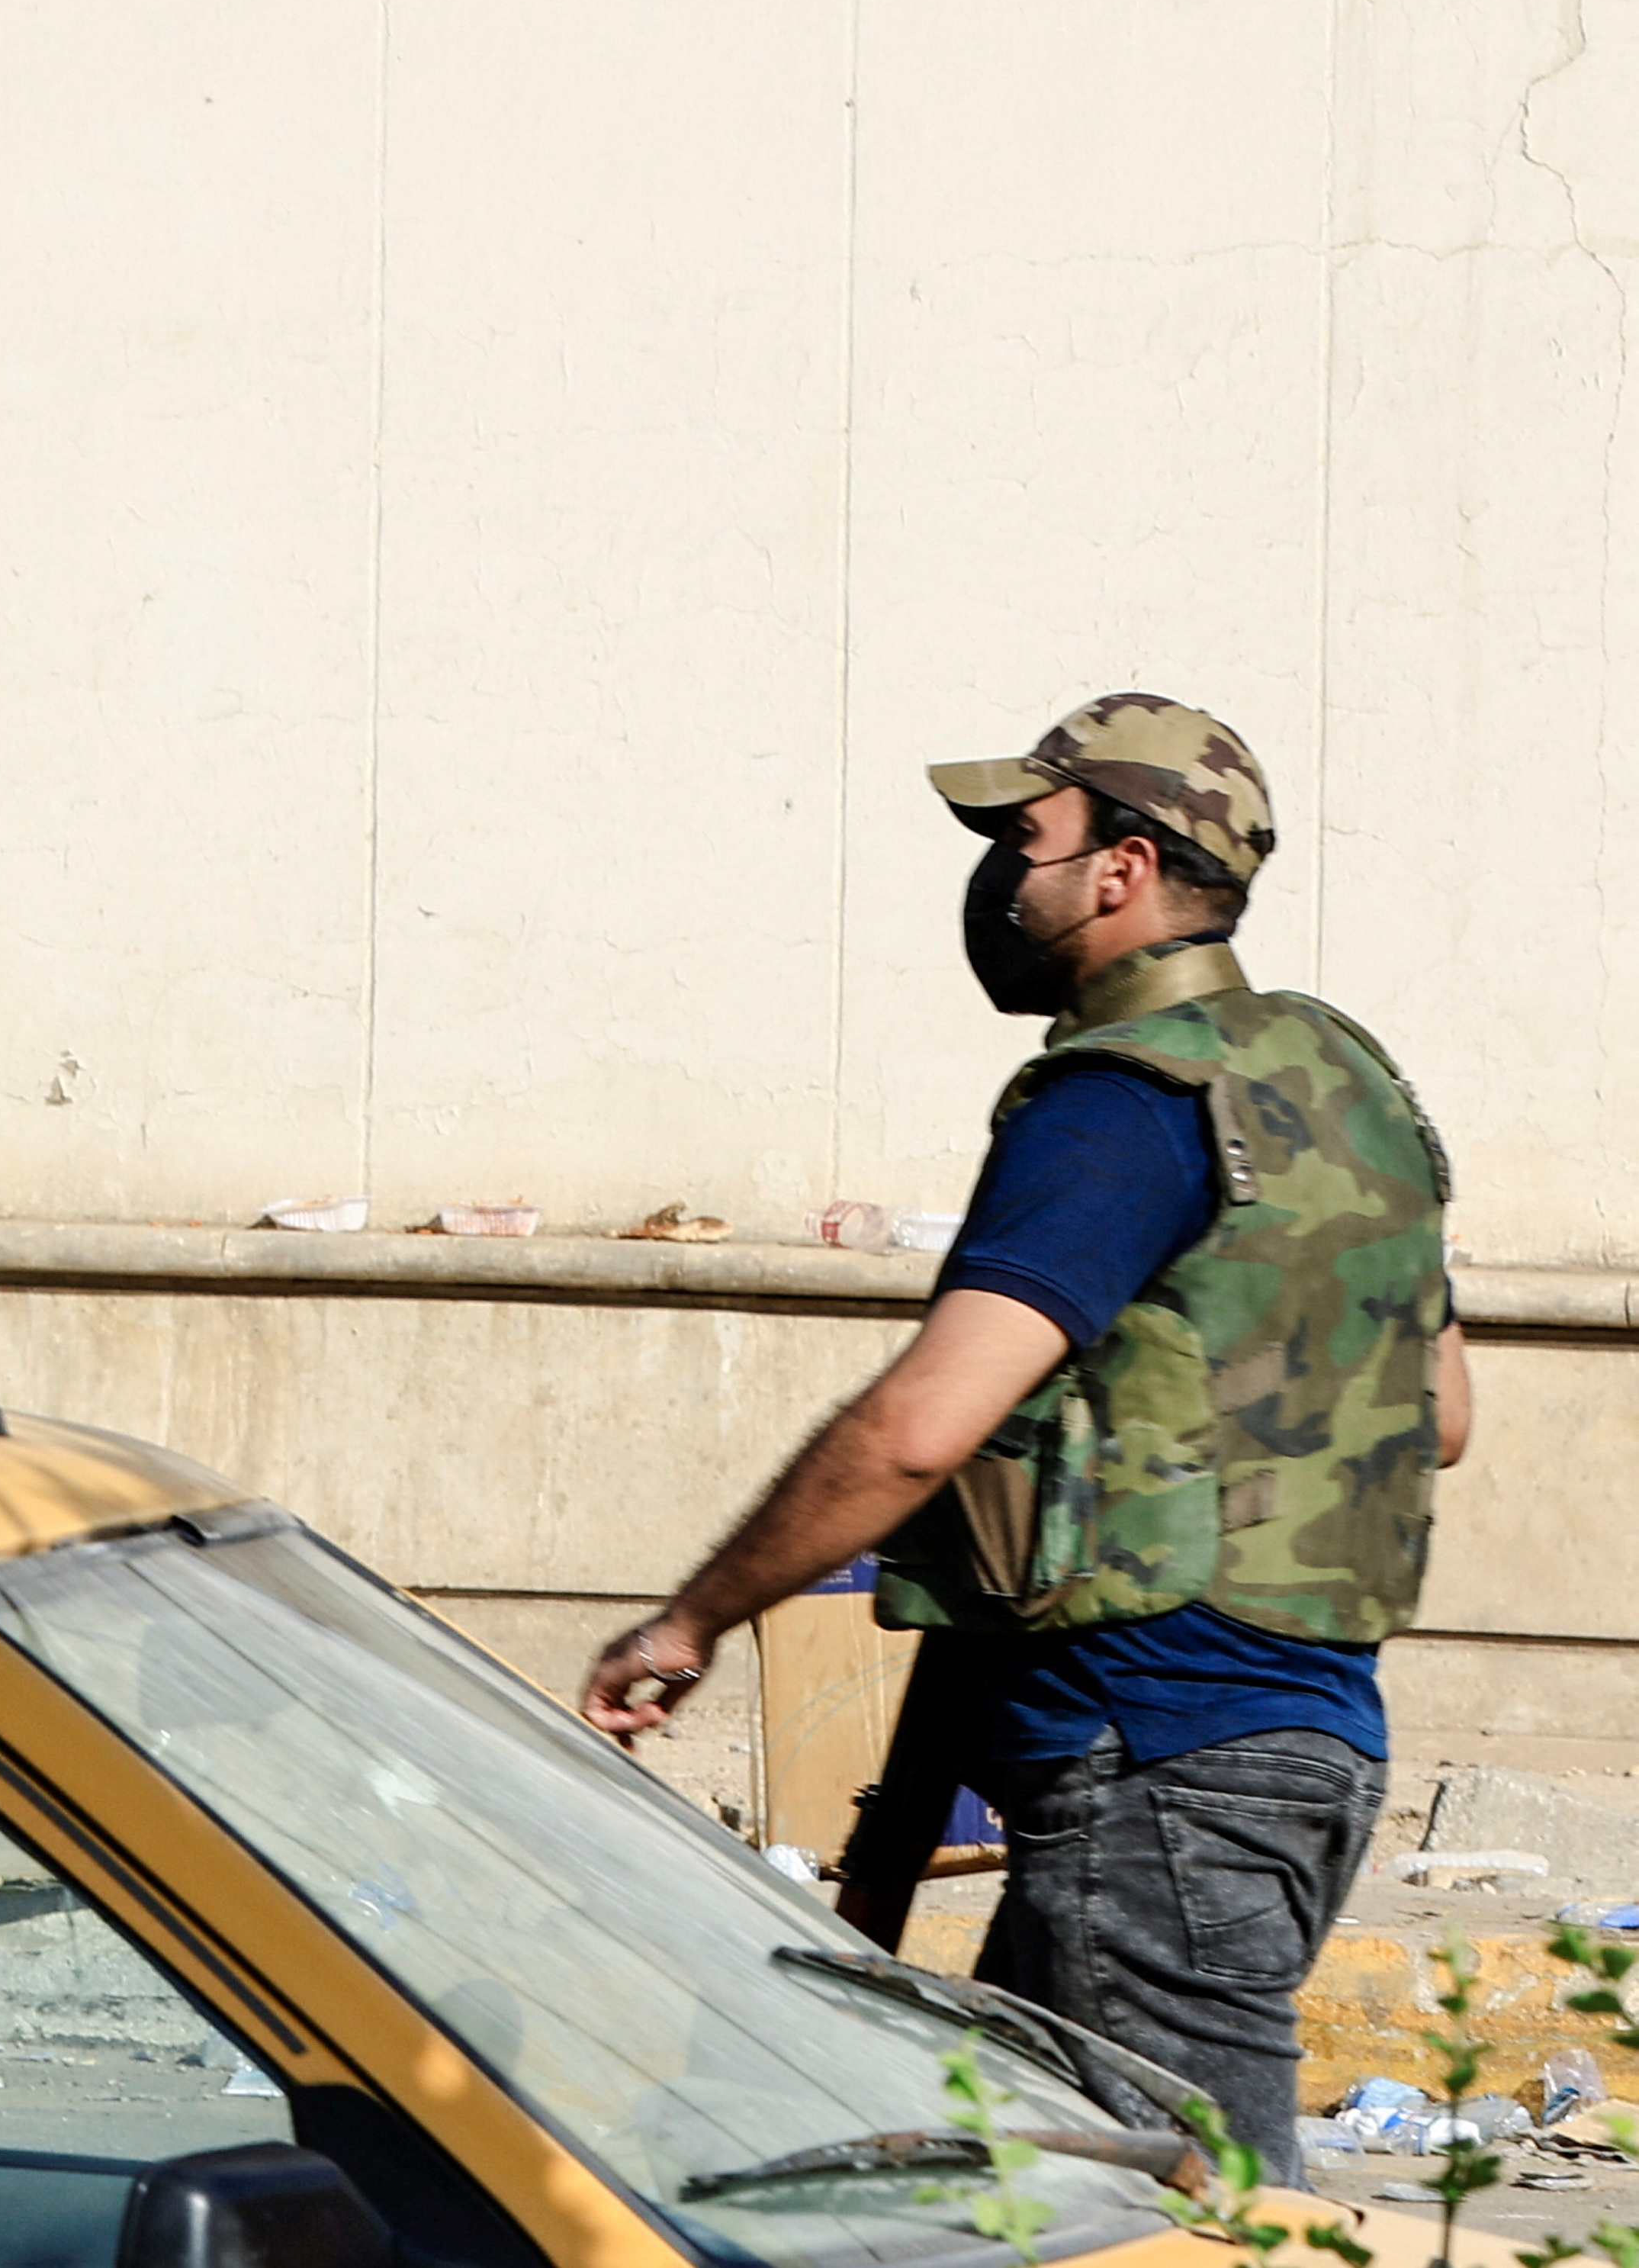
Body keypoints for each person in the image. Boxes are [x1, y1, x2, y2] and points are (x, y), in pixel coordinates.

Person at [577, 694, 1470, 2184]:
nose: (1002, 875)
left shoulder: (1119, 1106)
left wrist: (691, 1619)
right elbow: (1437, 1416)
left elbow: (919, 1427)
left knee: (1212, 2212)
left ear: (1118, 871)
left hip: (1154, 1761)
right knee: (1005, 2182)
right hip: (1308, 1746)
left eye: (1024, 839)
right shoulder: (1340, 1083)